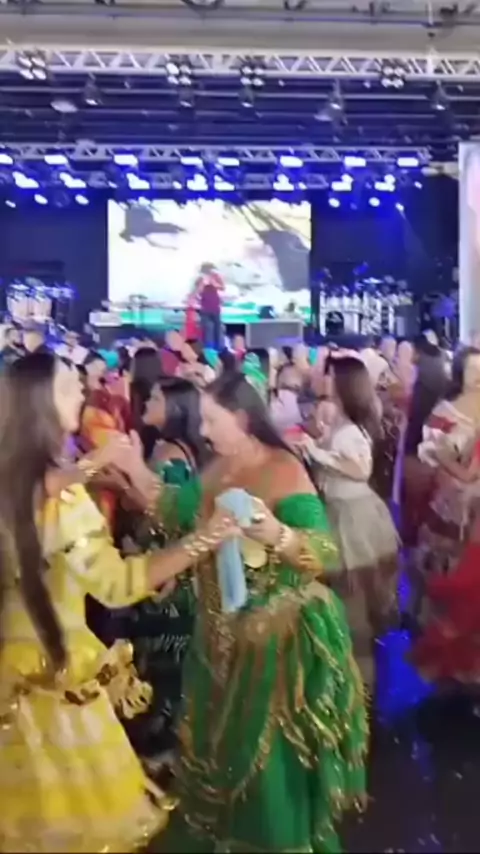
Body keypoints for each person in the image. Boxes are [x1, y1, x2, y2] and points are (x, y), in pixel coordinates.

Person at [0, 351, 239, 852]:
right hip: (55, 684)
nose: (83, 394)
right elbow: (120, 584)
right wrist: (207, 538)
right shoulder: (64, 504)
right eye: (70, 387)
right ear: (41, 405)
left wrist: (94, 466)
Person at [156, 372, 367, 853]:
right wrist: (129, 470)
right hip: (215, 640)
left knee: (263, 768)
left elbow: (324, 553)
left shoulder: (282, 468)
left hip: (272, 649)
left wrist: (275, 533)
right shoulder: (216, 466)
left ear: (242, 418)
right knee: (213, 753)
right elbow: (176, 511)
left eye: (212, 420)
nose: (203, 430)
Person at [118, 378, 209, 767]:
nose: (147, 401)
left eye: (155, 397)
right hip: (161, 563)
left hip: (168, 569)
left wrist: (123, 482)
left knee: (165, 657)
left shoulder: (172, 455)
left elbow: (168, 516)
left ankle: (167, 745)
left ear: (174, 408)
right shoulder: (166, 446)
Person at [301, 356, 399, 687]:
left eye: (328, 374)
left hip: (353, 520)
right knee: (350, 605)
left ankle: (363, 692)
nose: (322, 378)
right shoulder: (341, 422)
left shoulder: (351, 430)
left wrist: (317, 452)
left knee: (354, 606)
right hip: (342, 511)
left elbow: (360, 469)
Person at [410, 347, 480, 623]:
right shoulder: (446, 411)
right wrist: (458, 470)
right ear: (460, 374)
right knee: (450, 566)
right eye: (472, 370)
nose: (478, 376)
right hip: (454, 501)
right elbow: (431, 453)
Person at [195, 262, 224, 349]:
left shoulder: (216, 277)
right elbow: (198, 292)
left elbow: (222, 287)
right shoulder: (200, 279)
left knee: (217, 329)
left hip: (215, 307)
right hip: (205, 308)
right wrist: (203, 284)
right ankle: (208, 348)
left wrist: (213, 283)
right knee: (207, 329)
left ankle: (218, 348)